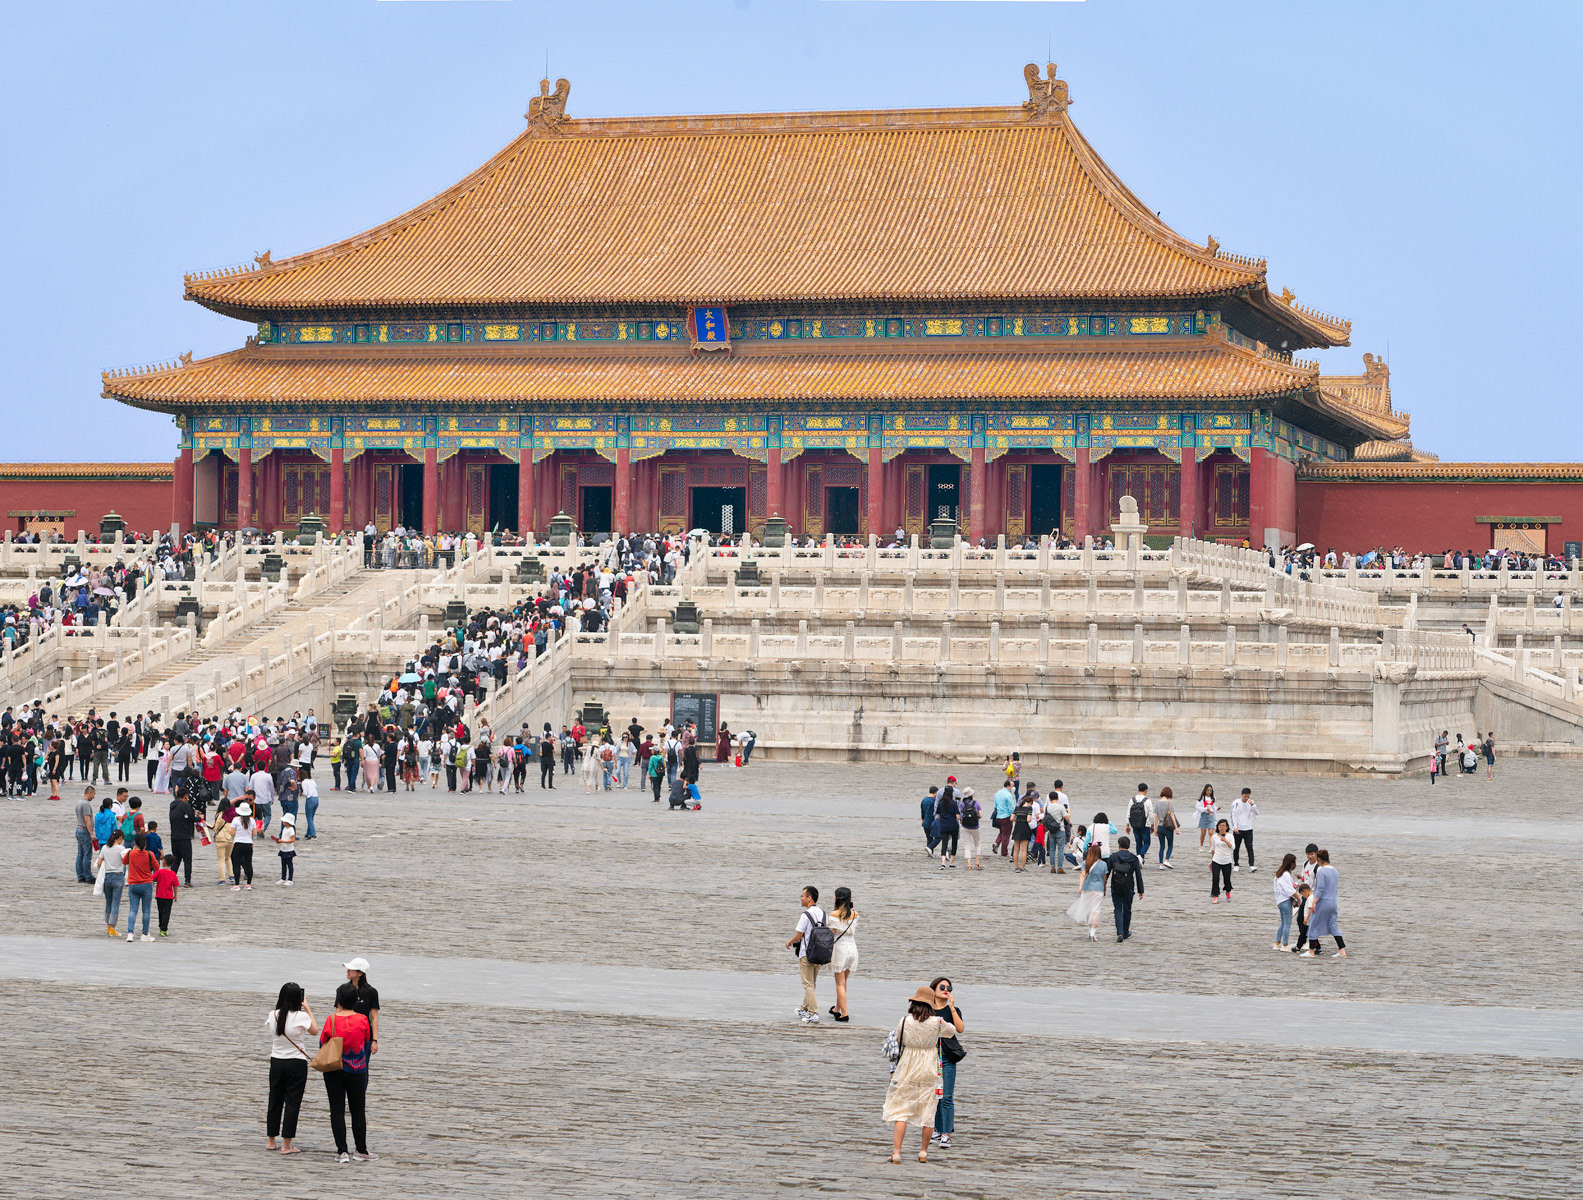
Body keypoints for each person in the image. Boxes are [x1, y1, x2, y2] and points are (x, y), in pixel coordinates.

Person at [884, 985, 955, 1164]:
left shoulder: (904, 1021)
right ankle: (923, 1152)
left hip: (907, 1066)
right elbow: (951, 1032)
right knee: (928, 1112)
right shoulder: (938, 1022)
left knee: (901, 1111)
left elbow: (898, 1039)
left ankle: (897, 1152)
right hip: (929, 1066)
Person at [320, 982, 375, 1163]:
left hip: (334, 1068)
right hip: (357, 1069)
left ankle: (342, 1151)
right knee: (358, 1110)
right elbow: (366, 1039)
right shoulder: (363, 1019)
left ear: (339, 1001)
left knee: (336, 1110)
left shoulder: (331, 1020)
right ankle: (361, 1149)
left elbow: (322, 1042)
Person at [266, 982, 317, 1154]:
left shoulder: (273, 1014)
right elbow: (315, 1031)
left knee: (274, 1100)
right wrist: (307, 1008)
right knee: (292, 1103)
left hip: (277, 1061)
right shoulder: (301, 1016)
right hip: (296, 1063)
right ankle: (286, 1145)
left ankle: (271, 1141)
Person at [929, 977, 965, 1149]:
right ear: (933, 990)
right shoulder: (927, 1009)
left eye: (949, 988)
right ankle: (937, 1130)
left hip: (947, 1057)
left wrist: (951, 1007)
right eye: (942, 987)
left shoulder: (953, 1010)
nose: (946, 990)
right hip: (929, 1057)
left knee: (947, 1097)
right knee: (934, 1096)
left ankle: (946, 1133)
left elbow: (960, 1029)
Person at [784, 886, 826, 1025]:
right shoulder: (823, 913)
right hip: (819, 953)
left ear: (809, 898)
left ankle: (814, 1013)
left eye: (802, 896)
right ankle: (804, 1008)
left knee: (807, 985)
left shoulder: (805, 915)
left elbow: (799, 934)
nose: (801, 898)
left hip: (806, 954)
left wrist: (789, 941)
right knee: (812, 984)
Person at [1302, 849, 1347, 958]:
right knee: (1333, 925)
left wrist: (1314, 902)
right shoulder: (1335, 870)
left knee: (1313, 924)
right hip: (1333, 902)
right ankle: (1342, 950)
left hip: (1323, 902)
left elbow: (1320, 888)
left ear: (1319, 859)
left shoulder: (1321, 871)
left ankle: (1311, 951)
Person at [826, 887, 859, 1023]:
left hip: (840, 948)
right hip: (852, 948)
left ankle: (844, 1014)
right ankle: (837, 1009)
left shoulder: (834, 914)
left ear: (838, 898)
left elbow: (830, 933)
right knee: (844, 981)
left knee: (839, 983)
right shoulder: (855, 914)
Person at [1105, 835, 1145, 942]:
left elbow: (1106, 873)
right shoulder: (1134, 858)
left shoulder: (1113, 857)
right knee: (1127, 909)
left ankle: (1120, 933)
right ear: (1129, 846)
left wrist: (1103, 886)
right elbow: (1138, 875)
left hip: (1115, 887)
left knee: (1118, 909)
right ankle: (1126, 932)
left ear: (1119, 845)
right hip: (1129, 887)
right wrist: (1141, 890)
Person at [123, 831, 159, 942]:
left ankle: (130, 933)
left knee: (133, 910)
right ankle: (144, 934)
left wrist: (133, 850)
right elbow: (156, 867)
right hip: (146, 883)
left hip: (133, 884)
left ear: (135, 842)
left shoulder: (130, 853)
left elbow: (124, 862)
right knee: (146, 910)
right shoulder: (149, 854)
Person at [1066, 844, 1107, 942]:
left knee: (1088, 909)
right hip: (1099, 889)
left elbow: (1083, 875)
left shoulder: (1086, 863)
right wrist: (1104, 888)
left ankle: (1089, 928)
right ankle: (1093, 931)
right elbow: (1104, 879)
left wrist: (1080, 886)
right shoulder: (1103, 864)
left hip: (1087, 888)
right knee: (1096, 910)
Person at [343, 956, 381, 1057]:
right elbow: (338, 1013)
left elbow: (374, 1018)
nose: (348, 971)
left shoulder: (372, 992)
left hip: (364, 1036)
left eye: (351, 969)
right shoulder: (343, 990)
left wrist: (375, 1040)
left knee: (363, 1065)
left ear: (360, 973)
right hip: (345, 1035)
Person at [95, 828, 128, 937]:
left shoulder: (105, 847)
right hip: (118, 876)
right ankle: (113, 928)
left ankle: (108, 927)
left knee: (108, 903)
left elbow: (99, 863)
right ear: (120, 838)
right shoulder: (121, 848)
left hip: (107, 877)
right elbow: (125, 861)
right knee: (115, 903)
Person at [1273, 853, 1299, 951]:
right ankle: (1285, 945)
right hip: (1285, 901)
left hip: (1279, 901)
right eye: (1294, 863)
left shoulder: (1279, 873)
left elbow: (1288, 886)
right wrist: (1299, 899)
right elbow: (1290, 891)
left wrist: (1298, 882)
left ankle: (1277, 943)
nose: (1295, 865)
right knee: (1287, 924)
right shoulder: (1286, 875)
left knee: (1283, 923)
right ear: (1290, 863)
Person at [1230, 787, 1259, 872]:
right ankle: (1236, 864)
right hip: (1238, 829)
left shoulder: (1251, 802)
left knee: (1249, 847)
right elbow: (1233, 815)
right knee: (1236, 847)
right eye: (1245, 796)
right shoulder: (1236, 802)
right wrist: (1235, 826)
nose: (1246, 798)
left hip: (1248, 828)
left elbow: (1257, 813)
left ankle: (1251, 865)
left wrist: (1253, 805)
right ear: (1241, 794)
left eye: (1248, 796)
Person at [153, 854, 180, 937]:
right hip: (168, 896)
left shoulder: (159, 872)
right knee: (167, 912)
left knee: (160, 911)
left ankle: (161, 925)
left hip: (159, 896)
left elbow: (151, 878)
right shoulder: (173, 874)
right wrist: (176, 895)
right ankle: (164, 928)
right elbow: (175, 885)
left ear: (164, 862)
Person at [934, 784, 960, 870]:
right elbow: (958, 816)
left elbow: (938, 816)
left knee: (944, 844)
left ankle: (943, 863)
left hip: (943, 825)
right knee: (954, 844)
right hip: (953, 826)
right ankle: (951, 863)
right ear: (952, 793)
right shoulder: (954, 803)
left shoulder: (940, 803)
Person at [74, 787, 96, 884]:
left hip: (79, 829)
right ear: (90, 793)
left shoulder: (79, 802)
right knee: (87, 854)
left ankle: (80, 875)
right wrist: (91, 833)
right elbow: (87, 820)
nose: (94, 797)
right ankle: (88, 876)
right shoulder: (86, 804)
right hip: (85, 831)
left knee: (80, 854)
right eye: (93, 794)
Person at [1209, 817, 1235, 903]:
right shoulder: (1214, 836)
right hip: (1216, 860)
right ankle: (1216, 895)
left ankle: (1228, 891)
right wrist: (1212, 861)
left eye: (1224, 825)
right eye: (1220, 825)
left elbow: (1233, 847)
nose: (1222, 827)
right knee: (1215, 878)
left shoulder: (1230, 836)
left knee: (1227, 879)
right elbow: (1213, 849)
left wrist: (1226, 841)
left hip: (1227, 860)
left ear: (1227, 827)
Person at [1010, 786, 1035, 872]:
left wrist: (1017, 819)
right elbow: (1028, 820)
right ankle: (1023, 867)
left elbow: (1011, 818)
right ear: (1029, 802)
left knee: (1016, 849)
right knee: (1024, 850)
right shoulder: (1029, 809)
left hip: (1017, 828)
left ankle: (1016, 867)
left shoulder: (1017, 808)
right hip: (1025, 828)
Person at [1153, 786, 1177, 869]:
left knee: (1162, 846)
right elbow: (1172, 815)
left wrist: (1155, 828)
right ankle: (1166, 860)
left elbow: (1156, 816)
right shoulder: (1169, 803)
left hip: (1160, 827)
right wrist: (1176, 828)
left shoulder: (1157, 802)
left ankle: (1161, 864)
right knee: (1170, 845)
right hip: (1168, 827)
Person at [1127, 784, 1152, 862]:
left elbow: (1128, 813)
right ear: (1146, 790)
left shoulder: (1132, 800)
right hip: (1145, 825)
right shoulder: (1147, 800)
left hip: (1134, 824)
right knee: (1147, 842)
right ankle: (1140, 856)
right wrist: (1152, 825)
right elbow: (1151, 814)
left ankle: (1139, 861)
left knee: (1138, 842)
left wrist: (1127, 825)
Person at [958, 787, 981, 870]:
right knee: (977, 843)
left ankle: (969, 865)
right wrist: (975, 819)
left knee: (967, 845)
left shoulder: (962, 804)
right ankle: (977, 863)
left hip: (965, 826)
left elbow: (960, 815)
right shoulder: (976, 803)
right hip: (975, 827)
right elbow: (980, 815)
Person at [272, 813, 298, 885]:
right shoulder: (284, 829)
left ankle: (290, 879)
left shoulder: (291, 830)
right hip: (283, 849)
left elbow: (292, 840)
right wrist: (279, 841)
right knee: (283, 865)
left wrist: (283, 841)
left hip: (289, 850)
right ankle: (283, 878)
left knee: (289, 865)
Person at [991, 779, 1015, 858]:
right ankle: (1004, 852)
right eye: (1012, 786)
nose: (1013, 788)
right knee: (1006, 835)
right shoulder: (1008, 795)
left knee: (1002, 832)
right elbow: (1011, 808)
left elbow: (995, 805)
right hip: (1006, 817)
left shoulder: (998, 793)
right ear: (1008, 786)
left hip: (998, 816)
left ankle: (996, 843)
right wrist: (1014, 816)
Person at [919, 785, 940, 856]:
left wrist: (922, 820)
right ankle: (930, 848)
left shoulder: (924, 800)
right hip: (933, 822)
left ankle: (930, 854)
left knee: (929, 838)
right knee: (938, 837)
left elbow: (922, 812)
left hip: (926, 822)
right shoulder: (934, 801)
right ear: (936, 792)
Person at [1195, 784, 1218, 849]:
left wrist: (1217, 808)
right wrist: (1205, 809)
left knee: (1211, 832)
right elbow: (1197, 806)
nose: (1209, 792)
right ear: (1205, 790)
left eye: (1210, 790)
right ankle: (1201, 846)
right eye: (1208, 790)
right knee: (1203, 833)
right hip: (1204, 815)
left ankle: (1211, 848)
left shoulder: (1213, 798)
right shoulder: (1202, 797)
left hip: (1211, 815)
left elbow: (1213, 807)